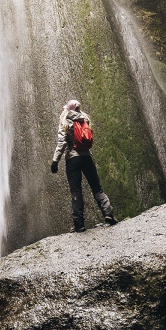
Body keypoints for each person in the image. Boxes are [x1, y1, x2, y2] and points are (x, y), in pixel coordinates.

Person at [50, 99, 117, 233]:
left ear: (67, 109)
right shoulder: (84, 118)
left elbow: (62, 142)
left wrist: (55, 161)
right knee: (97, 188)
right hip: (86, 157)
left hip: (72, 159)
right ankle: (108, 213)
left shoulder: (65, 120)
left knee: (76, 191)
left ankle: (79, 224)